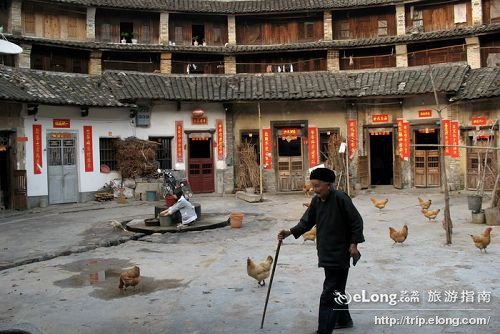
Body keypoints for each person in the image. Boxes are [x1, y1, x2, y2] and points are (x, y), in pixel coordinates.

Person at [277, 167, 364, 334]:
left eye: (318, 186)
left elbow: (356, 222)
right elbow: (306, 222)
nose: (315, 190)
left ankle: (324, 330)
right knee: (337, 288)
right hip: (325, 251)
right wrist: (289, 232)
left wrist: (354, 244)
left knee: (329, 293)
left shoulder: (341, 198)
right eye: (313, 186)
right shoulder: (317, 201)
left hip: (340, 252)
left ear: (329, 185)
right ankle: (344, 320)